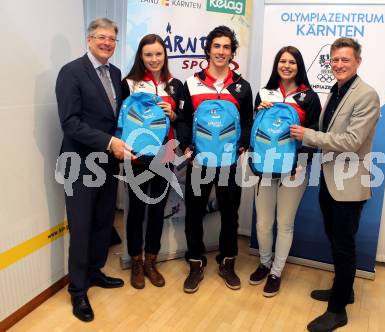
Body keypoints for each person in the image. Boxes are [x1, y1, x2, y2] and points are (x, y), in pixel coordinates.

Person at [291, 37, 380, 332]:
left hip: (350, 184)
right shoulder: (336, 90)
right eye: (335, 60)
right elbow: (326, 129)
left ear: (357, 62)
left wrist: (306, 135)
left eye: (345, 59)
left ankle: (338, 309)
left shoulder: (366, 95)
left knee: (343, 246)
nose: (339, 65)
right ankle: (345, 290)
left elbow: (352, 142)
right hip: (331, 180)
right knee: (335, 238)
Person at [55, 18, 133, 322]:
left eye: (112, 39)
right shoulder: (71, 72)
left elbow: (118, 116)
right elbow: (70, 123)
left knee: (103, 221)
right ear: (89, 39)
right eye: (102, 38)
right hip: (79, 163)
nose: (107, 43)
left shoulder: (115, 73)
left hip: (107, 162)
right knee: (82, 226)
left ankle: (94, 271)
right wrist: (110, 141)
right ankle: (77, 291)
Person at [176, 25, 253, 293]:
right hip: (199, 163)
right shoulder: (191, 83)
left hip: (229, 164)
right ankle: (195, 263)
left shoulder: (242, 87)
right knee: (194, 214)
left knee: (230, 215)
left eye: (226, 47)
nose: (221, 52)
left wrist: (243, 144)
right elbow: (183, 120)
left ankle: (227, 262)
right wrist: (186, 147)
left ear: (233, 52)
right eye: (217, 46)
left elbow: (247, 120)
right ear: (208, 49)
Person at [249, 46, 321, 297]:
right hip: (265, 167)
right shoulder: (264, 92)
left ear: (299, 66)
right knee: (263, 223)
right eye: (282, 61)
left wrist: (300, 163)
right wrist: (258, 112)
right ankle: (264, 263)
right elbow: (255, 131)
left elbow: (313, 133)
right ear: (276, 64)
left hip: (294, 170)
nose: (287, 66)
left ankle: (276, 272)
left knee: (285, 223)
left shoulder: (309, 97)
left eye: (292, 62)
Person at [120, 34, 183, 290]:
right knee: (136, 210)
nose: (154, 59)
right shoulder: (129, 83)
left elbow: (182, 119)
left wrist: (174, 114)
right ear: (141, 57)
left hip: (165, 153)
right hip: (135, 155)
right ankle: (136, 261)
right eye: (148, 55)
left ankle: (151, 261)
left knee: (157, 209)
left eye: (158, 54)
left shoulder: (175, 85)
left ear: (165, 55)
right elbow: (120, 120)